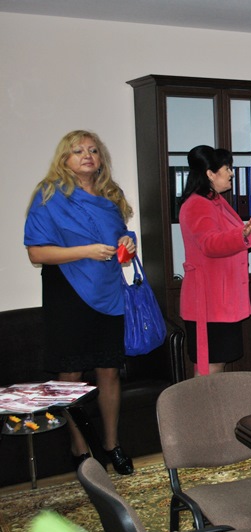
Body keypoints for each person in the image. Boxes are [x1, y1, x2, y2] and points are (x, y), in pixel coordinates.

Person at [23, 130, 137, 475]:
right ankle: (80, 449)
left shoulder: (110, 195)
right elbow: (36, 253)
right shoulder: (48, 195)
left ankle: (112, 445)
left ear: (101, 159)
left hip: (109, 292)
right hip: (67, 294)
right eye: (78, 151)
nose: (87, 155)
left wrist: (127, 245)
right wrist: (85, 251)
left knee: (109, 371)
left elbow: (119, 240)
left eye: (93, 150)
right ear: (65, 159)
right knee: (70, 374)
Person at [178, 145, 251, 376]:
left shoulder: (214, 200)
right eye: (227, 168)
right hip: (209, 300)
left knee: (218, 362)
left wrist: (243, 233)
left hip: (221, 300)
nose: (231, 173)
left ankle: (213, 401)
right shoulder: (198, 203)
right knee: (210, 364)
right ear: (210, 174)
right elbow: (210, 243)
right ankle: (203, 402)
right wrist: (242, 234)